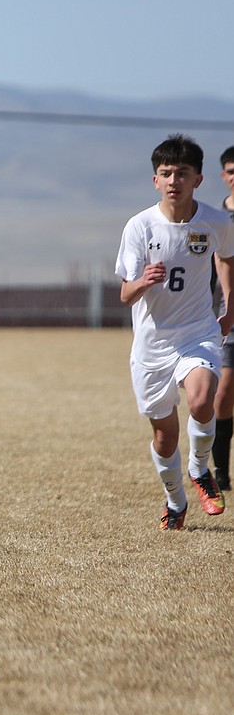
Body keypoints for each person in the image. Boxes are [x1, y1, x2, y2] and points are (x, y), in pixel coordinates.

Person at [116, 134, 232, 529]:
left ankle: (201, 469)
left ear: (197, 179)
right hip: (152, 345)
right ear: (155, 180)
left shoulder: (215, 221)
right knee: (164, 435)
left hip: (197, 332)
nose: (173, 181)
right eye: (165, 173)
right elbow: (125, 295)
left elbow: (229, 261)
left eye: (181, 173)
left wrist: (228, 309)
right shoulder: (139, 226)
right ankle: (175, 499)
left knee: (202, 400)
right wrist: (144, 282)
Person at [209, 146, 234, 492]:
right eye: (231, 170)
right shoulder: (216, 218)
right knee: (223, 391)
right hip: (228, 312)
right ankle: (221, 474)